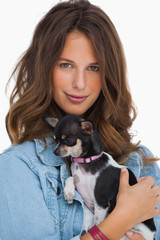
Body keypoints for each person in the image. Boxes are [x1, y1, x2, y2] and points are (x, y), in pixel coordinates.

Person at [0, 0, 160, 239]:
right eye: (66, 65)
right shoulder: (19, 168)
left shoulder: (139, 162)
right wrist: (122, 218)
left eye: (94, 68)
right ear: (44, 69)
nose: (80, 83)